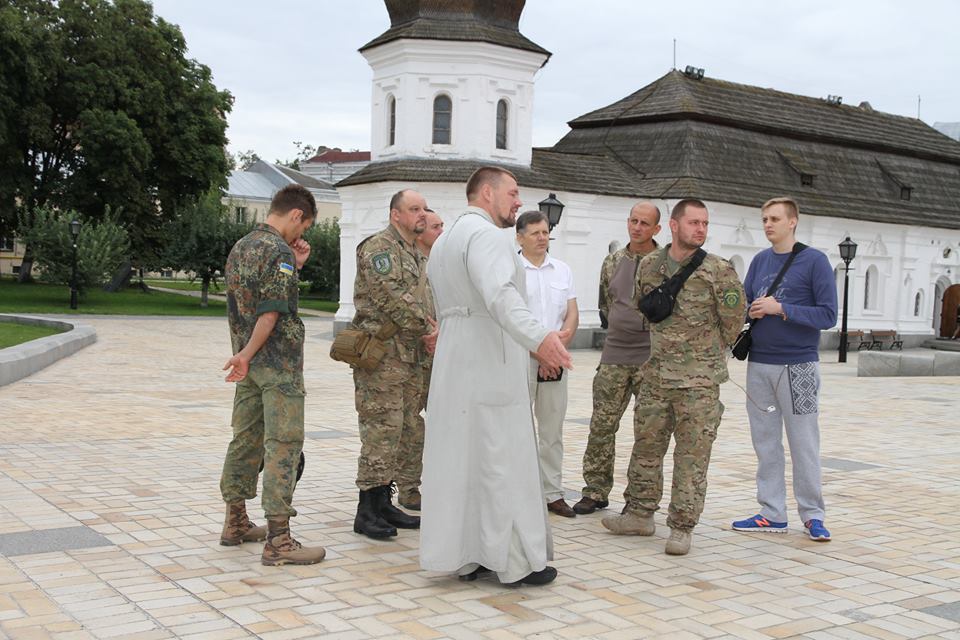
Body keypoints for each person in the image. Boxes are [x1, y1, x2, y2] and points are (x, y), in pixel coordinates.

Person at [420, 166, 572, 586]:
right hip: (489, 357)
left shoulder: (445, 240)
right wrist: (540, 337)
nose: (519, 202)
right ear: (487, 193)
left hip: (455, 359)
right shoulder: (488, 236)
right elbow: (500, 295)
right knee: (502, 457)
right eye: (513, 193)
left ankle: (469, 556)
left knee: (464, 458)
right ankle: (514, 561)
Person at [602, 199, 745, 556]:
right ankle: (639, 514)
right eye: (694, 222)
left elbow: (733, 321)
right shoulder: (651, 264)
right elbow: (643, 307)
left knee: (692, 456)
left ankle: (681, 526)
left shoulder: (719, 270)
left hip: (699, 383)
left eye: (705, 224)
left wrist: (702, 353)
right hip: (655, 376)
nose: (701, 229)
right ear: (674, 225)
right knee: (646, 447)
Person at [219, 184, 326, 566]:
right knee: (283, 444)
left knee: (245, 440)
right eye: (304, 226)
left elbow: (252, 299)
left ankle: (235, 521)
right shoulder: (278, 251)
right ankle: (279, 539)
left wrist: (297, 266)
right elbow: (270, 312)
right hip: (277, 365)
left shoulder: (242, 246)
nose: (301, 234)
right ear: (296, 214)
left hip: (249, 367)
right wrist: (246, 355)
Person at [731, 197, 837, 541]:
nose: (767, 225)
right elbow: (746, 303)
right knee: (765, 442)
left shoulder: (815, 261)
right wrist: (752, 310)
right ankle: (772, 512)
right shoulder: (760, 261)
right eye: (764, 219)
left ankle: (813, 515)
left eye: (774, 219)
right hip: (760, 364)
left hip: (799, 365)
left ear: (792, 222)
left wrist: (781, 308)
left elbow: (828, 315)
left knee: (803, 441)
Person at [350, 189, 436, 538]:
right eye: (414, 209)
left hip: (409, 357)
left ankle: (384, 503)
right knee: (381, 432)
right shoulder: (379, 248)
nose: (422, 214)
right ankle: (366, 511)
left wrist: (429, 330)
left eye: (423, 208)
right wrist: (429, 328)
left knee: (402, 431)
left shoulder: (413, 252)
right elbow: (392, 299)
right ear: (395, 215)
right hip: (382, 358)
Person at [574, 202, 661, 515]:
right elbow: (606, 304)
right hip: (614, 355)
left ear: (656, 229)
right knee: (601, 425)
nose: (637, 227)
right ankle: (595, 491)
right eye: (633, 221)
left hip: (650, 358)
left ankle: (638, 499)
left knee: (648, 432)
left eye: (644, 223)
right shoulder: (612, 261)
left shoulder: (665, 264)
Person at [516, 210, 579, 517]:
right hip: (520, 360)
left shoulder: (562, 270)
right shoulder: (511, 270)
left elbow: (572, 313)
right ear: (519, 238)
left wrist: (556, 351)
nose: (542, 238)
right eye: (535, 233)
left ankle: (552, 493)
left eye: (545, 232)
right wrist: (540, 351)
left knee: (552, 431)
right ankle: (520, 494)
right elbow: (511, 318)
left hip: (556, 361)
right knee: (518, 429)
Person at [400, 208, 444, 511]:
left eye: (442, 225)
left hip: (441, 355)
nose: (441, 232)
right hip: (411, 356)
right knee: (410, 425)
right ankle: (407, 486)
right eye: (435, 226)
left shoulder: (444, 264)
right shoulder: (408, 263)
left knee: (444, 422)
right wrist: (429, 331)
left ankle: (440, 482)